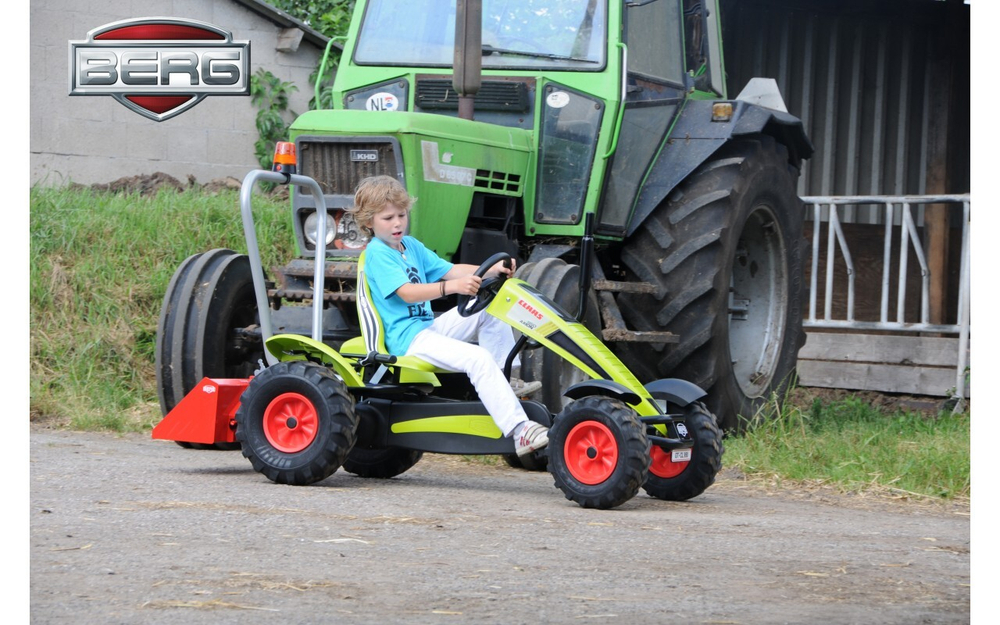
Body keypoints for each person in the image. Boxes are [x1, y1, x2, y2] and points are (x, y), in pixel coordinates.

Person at [349, 175, 549, 456]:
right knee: (477, 357)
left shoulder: (410, 246)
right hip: (407, 339)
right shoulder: (377, 254)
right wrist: (451, 288)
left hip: (428, 328)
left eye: (401, 215)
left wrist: (491, 269)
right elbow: (406, 293)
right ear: (369, 222)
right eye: (388, 218)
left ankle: (505, 379)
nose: (397, 223)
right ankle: (520, 431)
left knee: (490, 305)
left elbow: (451, 270)